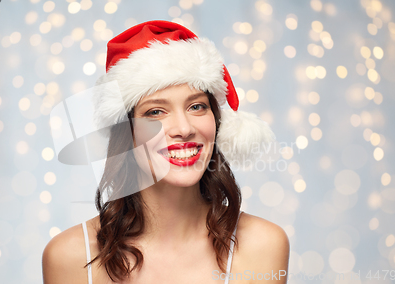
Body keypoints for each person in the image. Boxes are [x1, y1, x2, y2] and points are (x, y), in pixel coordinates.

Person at [42, 20, 289, 284]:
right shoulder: (69, 256)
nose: (183, 128)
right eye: (155, 112)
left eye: (196, 107)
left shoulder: (263, 245)